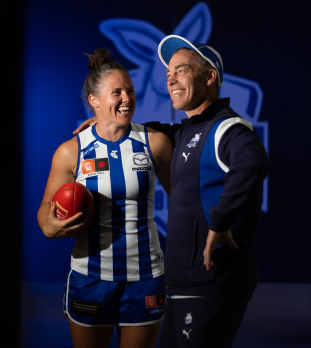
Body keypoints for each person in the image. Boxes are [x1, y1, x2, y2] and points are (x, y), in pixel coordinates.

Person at [74, 36, 270, 348]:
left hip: (212, 279)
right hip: (182, 281)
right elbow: (156, 131)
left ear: (209, 77)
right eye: (168, 74)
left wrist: (220, 221)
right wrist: (104, 123)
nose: (171, 79)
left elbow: (253, 163)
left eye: (182, 71)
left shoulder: (228, 129)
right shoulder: (187, 131)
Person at [37, 48, 173, 348]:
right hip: (91, 277)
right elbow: (45, 216)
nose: (127, 98)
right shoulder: (71, 151)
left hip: (145, 277)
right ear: (94, 101)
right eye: (117, 92)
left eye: (130, 91)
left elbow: (184, 201)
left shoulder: (156, 143)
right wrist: (54, 227)